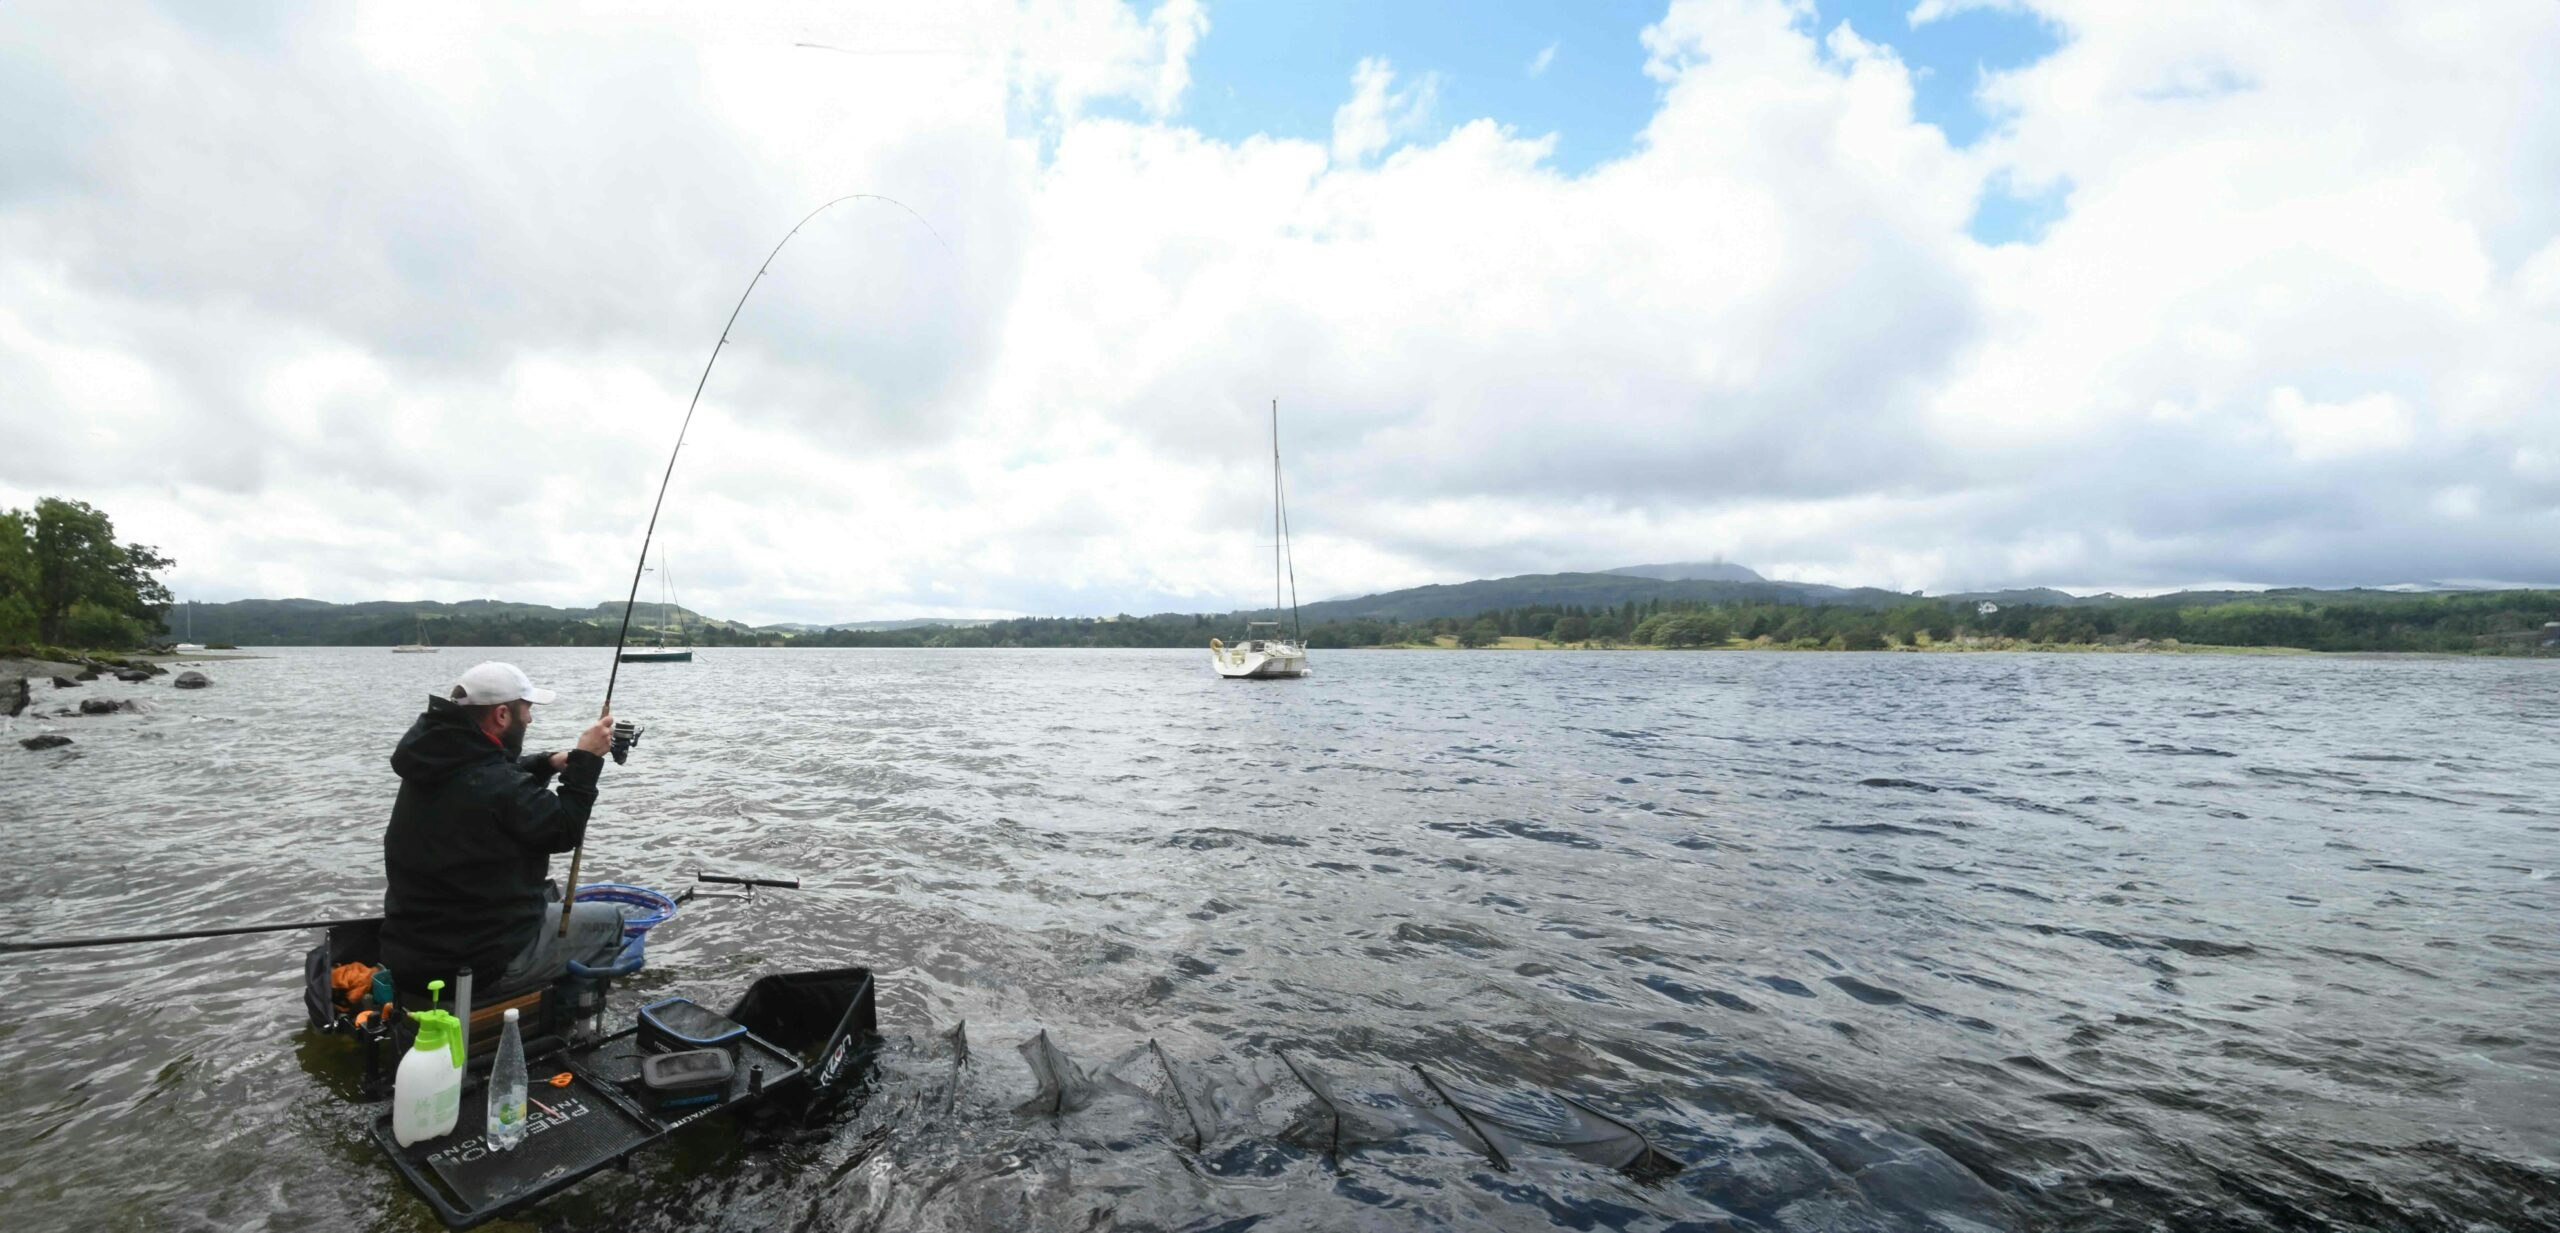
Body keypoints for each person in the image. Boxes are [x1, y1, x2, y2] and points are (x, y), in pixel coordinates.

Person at [380, 661, 626, 995]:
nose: (530, 718)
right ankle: (569, 1024)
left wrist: (547, 762)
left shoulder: (434, 759)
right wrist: (587, 760)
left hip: (413, 949)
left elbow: (491, 782)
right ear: (501, 715)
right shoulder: (495, 782)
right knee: (611, 921)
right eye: (526, 709)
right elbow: (564, 828)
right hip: (474, 963)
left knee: (547, 893)